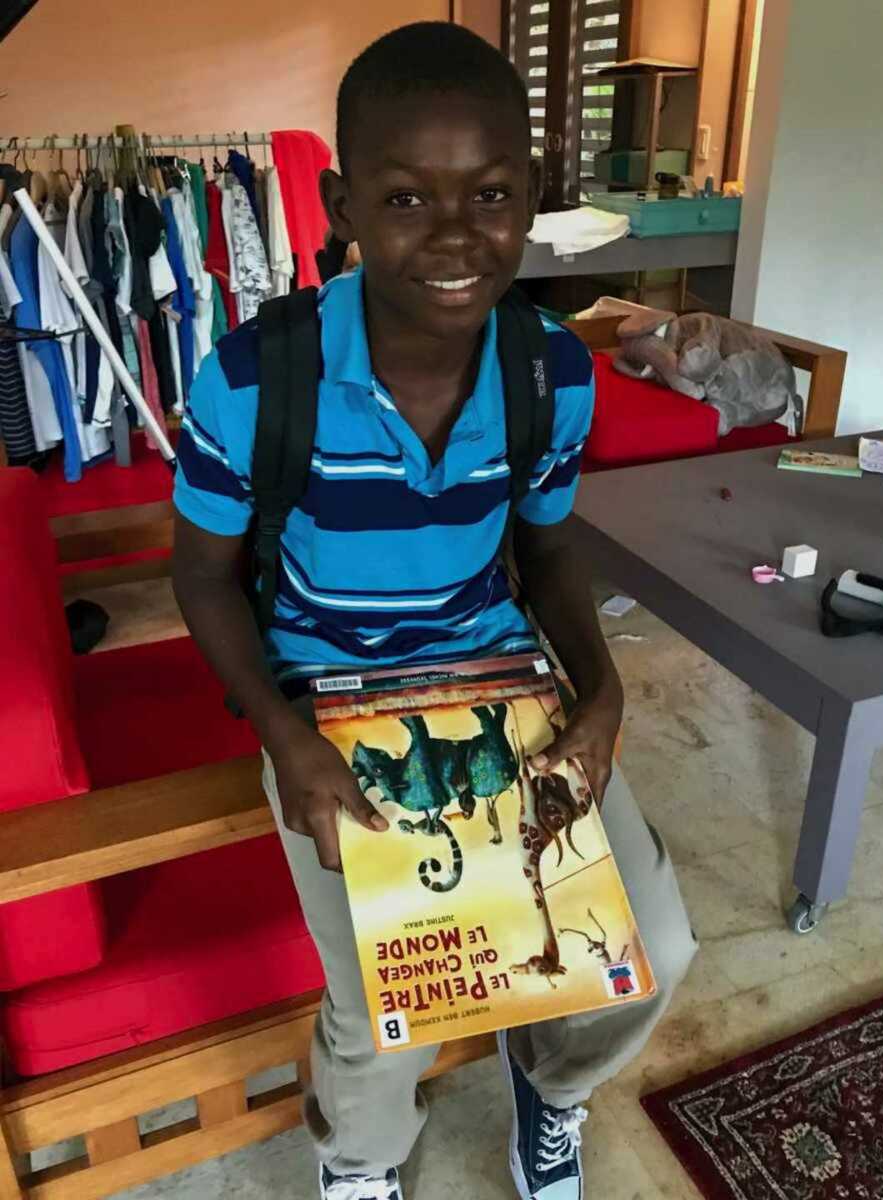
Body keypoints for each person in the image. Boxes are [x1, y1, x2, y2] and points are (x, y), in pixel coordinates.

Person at [172, 22, 696, 1200]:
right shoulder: (259, 376)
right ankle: (361, 1162)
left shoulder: (550, 367)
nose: (458, 236)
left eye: (493, 195)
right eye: (407, 197)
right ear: (342, 204)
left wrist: (601, 694)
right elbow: (202, 575)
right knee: (380, 995)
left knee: (652, 950)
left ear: (534, 199)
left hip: (498, 677)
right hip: (327, 698)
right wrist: (282, 733)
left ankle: (548, 1085)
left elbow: (549, 548)